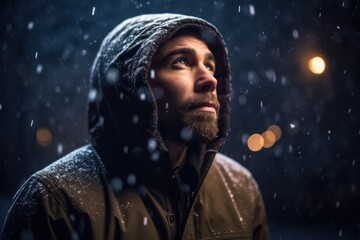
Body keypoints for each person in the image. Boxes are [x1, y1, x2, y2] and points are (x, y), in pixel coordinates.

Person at [1, 13, 268, 239]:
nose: (209, 79)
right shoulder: (55, 201)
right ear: (130, 86)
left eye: (210, 65)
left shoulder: (240, 189)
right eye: (181, 62)